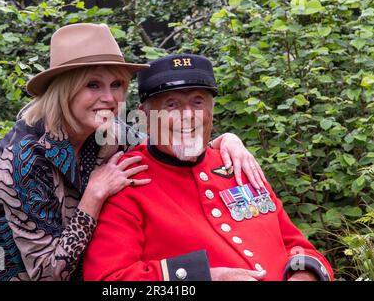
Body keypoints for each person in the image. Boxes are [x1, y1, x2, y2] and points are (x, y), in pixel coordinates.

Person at [0, 24, 264, 281]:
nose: (110, 98)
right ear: (65, 90)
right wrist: (94, 196)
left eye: (117, 85)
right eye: (93, 84)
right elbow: (48, 273)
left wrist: (223, 142)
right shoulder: (23, 158)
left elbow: (169, 143)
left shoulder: (108, 133)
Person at [83, 53, 334, 281]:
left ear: (212, 111)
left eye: (198, 102)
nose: (189, 116)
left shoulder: (237, 165)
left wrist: (304, 275)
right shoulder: (127, 181)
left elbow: (298, 246)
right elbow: (109, 281)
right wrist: (205, 277)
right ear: (146, 116)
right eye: (172, 105)